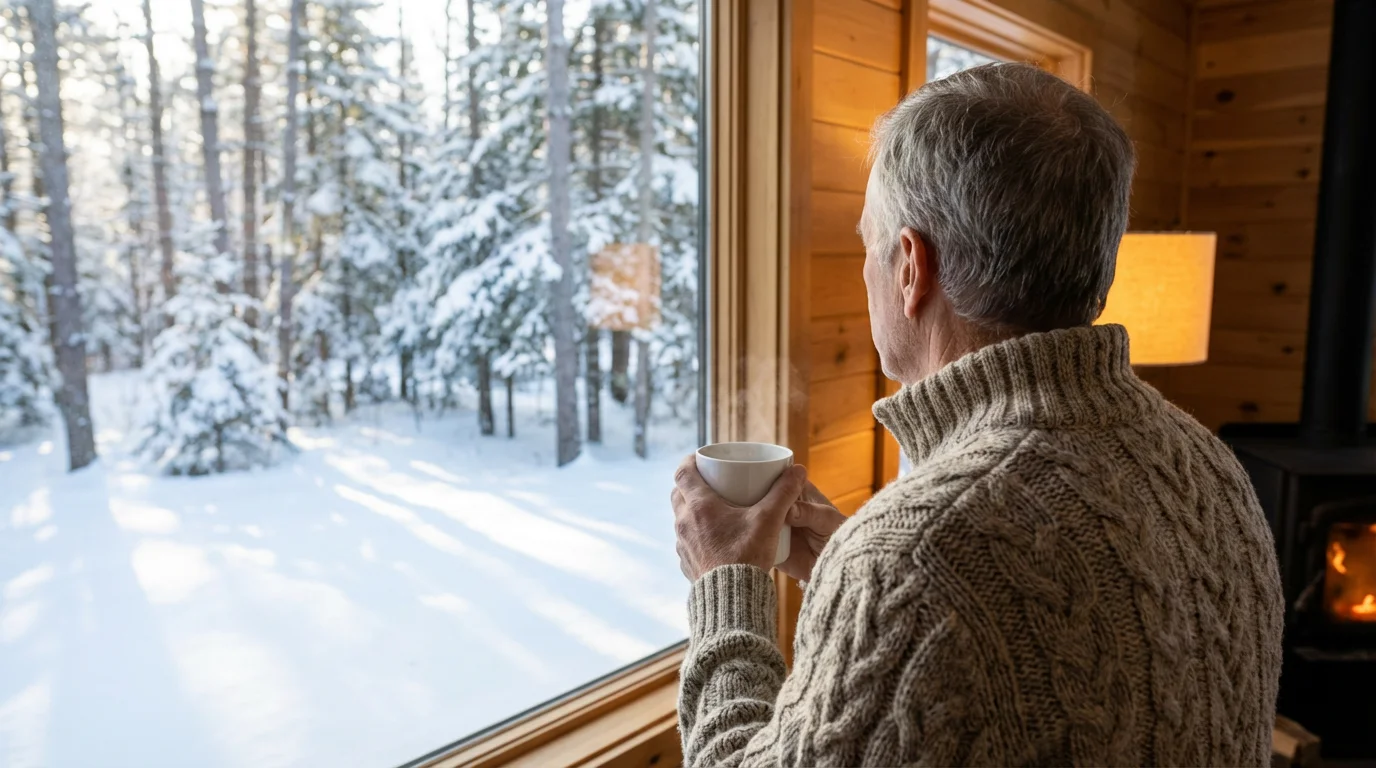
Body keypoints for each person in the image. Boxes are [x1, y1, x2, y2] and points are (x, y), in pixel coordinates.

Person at [670, 62, 1284, 767]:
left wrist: (727, 589)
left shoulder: (915, 558)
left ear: (909, 267)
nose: (864, 269)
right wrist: (853, 572)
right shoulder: (1204, 463)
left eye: (867, 242)